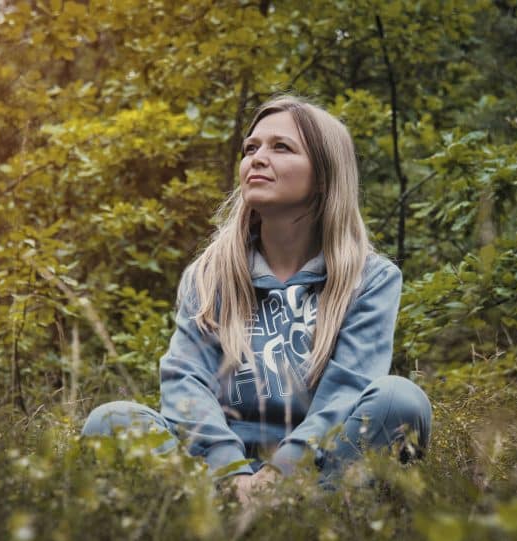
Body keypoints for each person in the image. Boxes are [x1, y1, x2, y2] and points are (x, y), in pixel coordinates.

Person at [81, 95, 432, 503]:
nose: (257, 158)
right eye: (251, 148)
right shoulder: (210, 275)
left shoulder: (370, 278)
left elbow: (348, 390)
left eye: (281, 147)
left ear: (324, 176)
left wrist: (280, 475)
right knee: (111, 421)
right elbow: (186, 382)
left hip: (317, 472)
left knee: (400, 399)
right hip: (216, 475)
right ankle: (227, 512)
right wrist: (231, 474)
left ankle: (303, 513)